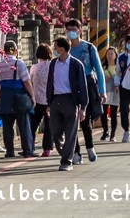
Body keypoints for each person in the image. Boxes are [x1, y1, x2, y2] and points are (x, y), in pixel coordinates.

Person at [45, 36, 89, 171]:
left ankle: (66, 161)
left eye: (57, 46)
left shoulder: (76, 65)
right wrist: (48, 102)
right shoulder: (53, 63)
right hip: (56, 100)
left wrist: (83, 107)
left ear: (63, 48)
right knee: (55, 131)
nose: (55, 49)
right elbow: (50, 82)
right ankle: (66, 153)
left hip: (71, 100)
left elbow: (83, 85)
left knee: (70, 132)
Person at [65, 18, 104, 163]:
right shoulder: (64, 49)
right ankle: (75, 153)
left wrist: (102, 90)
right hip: (69, 86)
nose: (71, 33)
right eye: (68, 30)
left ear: (80, 31)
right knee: (71, 120)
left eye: (73, 30)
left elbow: (98, 70)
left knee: (85, 119)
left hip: (87, 83)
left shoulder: (88, 48)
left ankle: (90, 147)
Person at [0, 40, 37, 157]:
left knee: (7, 126)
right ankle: (28, 150)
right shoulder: (19, 63)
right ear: (16, 50)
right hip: (19, 98)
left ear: (4, 51)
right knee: (23, 125)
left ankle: (9, 151)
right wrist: (32, 96)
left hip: (5, 98)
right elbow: (26, 81)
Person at [29, 43, 54, 156]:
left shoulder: (34, 68)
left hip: (37, 100)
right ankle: (47, 149)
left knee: (33, 124)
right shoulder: (53, 66)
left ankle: (30, 147)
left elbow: (30, 82)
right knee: (49, 125)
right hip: (50, 100)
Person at [100, 46, 119, 141]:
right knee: (103, 113)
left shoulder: (118, 67)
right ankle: (105, 132)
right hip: (105, 92)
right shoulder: (103, 67)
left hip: (115, 92)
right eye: (108, 54)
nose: (109, 56)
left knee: (113, 113)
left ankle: (113, 134)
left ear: (116, 55)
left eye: (112, 54)